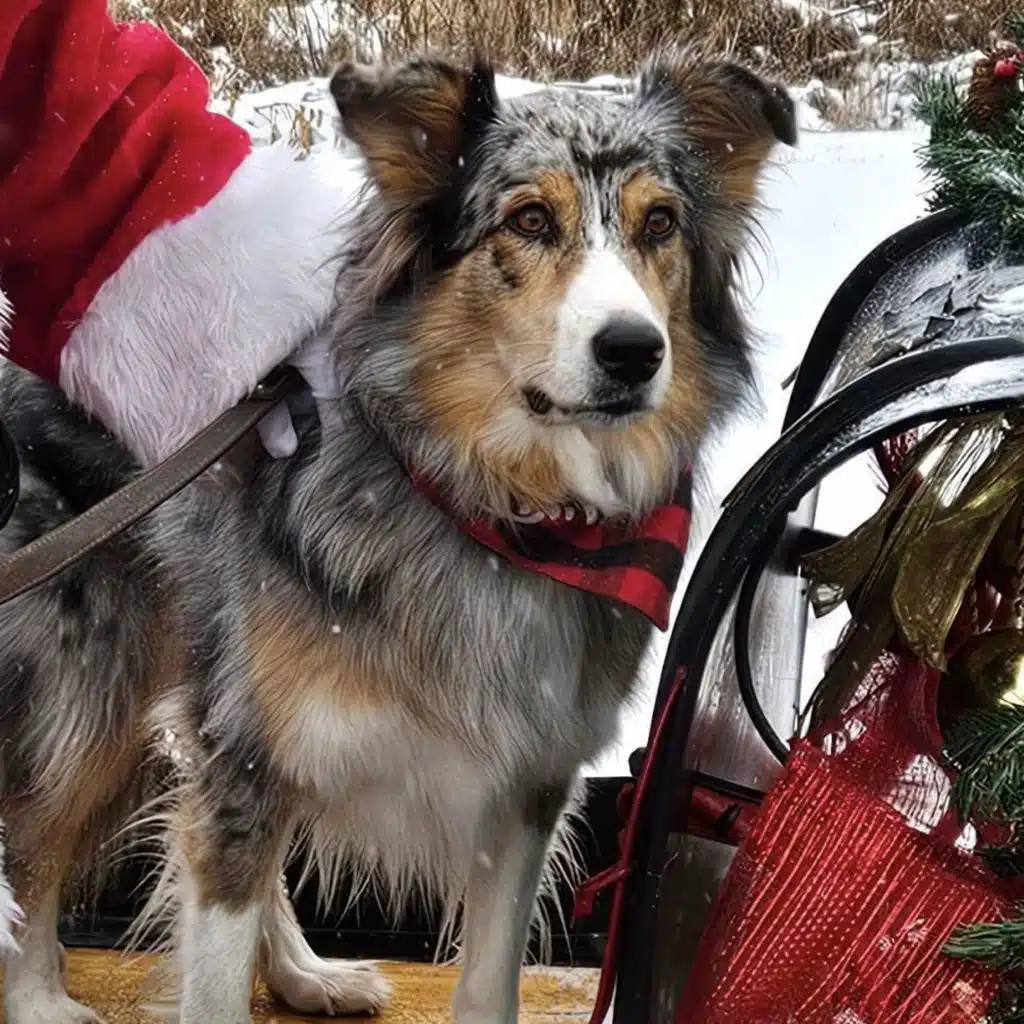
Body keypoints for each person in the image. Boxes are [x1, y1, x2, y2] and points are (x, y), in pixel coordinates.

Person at [0, 0, 366, 952]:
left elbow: (36, 74)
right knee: (85, 727)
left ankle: (277, 946)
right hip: (75, 469)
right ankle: (33, 954)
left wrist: (203, 264)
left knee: (252, 717)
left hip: (169, 392)